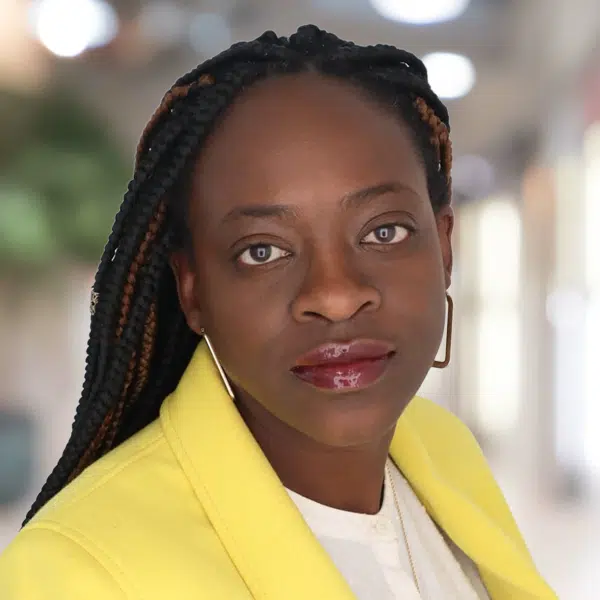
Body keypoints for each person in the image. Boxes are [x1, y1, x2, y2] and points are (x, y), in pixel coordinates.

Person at [0, 25, 556, 600]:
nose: (336, 295)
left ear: (443, 248)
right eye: (262, 251)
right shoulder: (76, 572)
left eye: (384, 231)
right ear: (193, 291)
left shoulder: (443, 450)